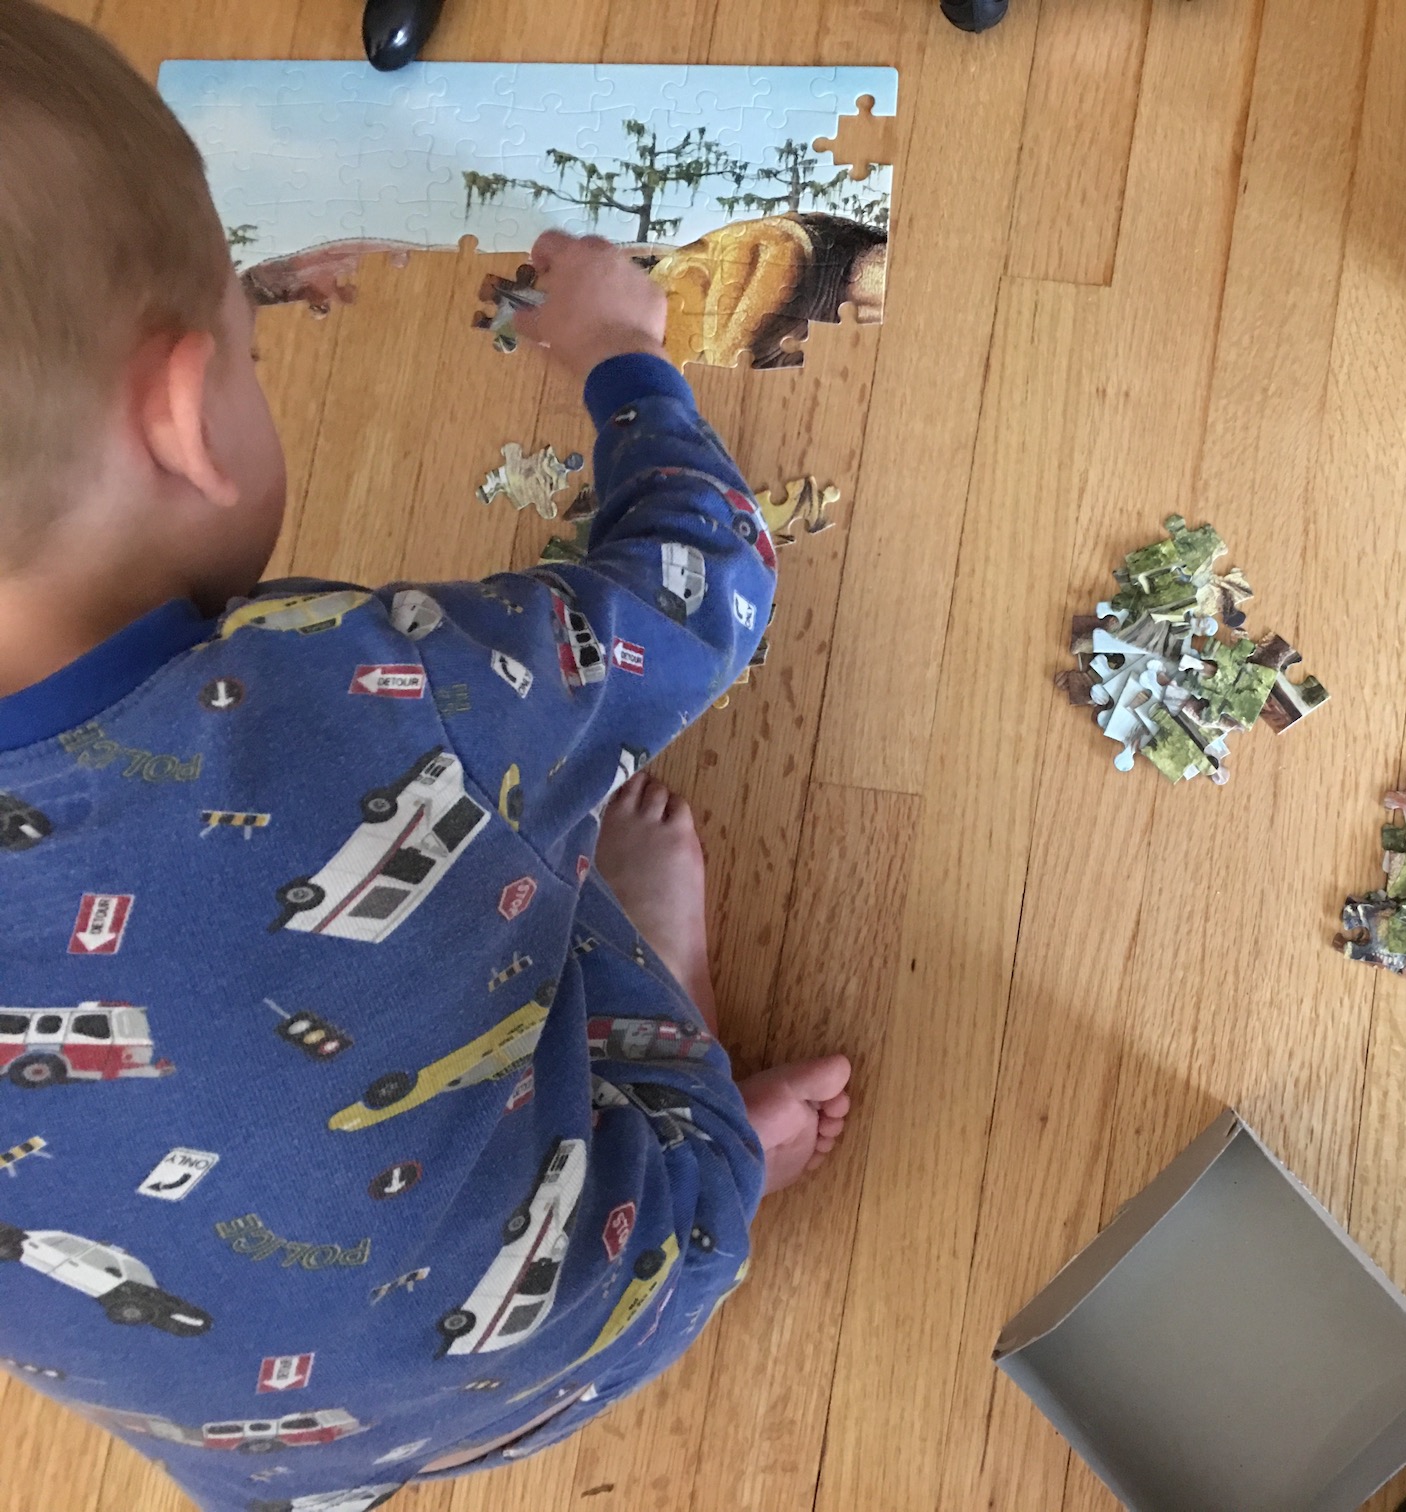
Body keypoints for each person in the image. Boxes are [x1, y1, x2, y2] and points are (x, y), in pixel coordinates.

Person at [0, 3, 851, 1508]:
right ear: (185, 414)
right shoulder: (370, 699)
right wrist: (620, 360)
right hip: (572, 1309)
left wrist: (209, 289)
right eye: (250, 346)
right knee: (516, 869)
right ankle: (708, 1109)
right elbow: (703, 584)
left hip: (264, 1466)